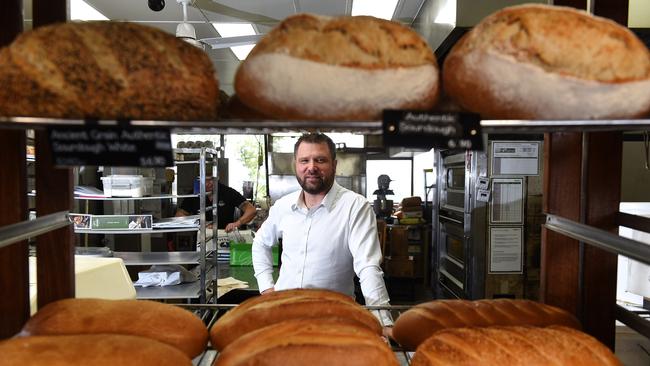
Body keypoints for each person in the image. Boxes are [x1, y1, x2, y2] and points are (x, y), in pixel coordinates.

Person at [252, 133, 393, 332]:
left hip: (334, 321)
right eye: (304, 160)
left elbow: (367, 265)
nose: (311, 167)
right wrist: (267, 289)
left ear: (334, 165)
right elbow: (260, 243)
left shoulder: (355, 206)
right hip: (282, 316)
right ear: (296, 165)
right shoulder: (283, 206)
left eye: (320, 160)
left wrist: (383, 320)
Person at [176, 177, 256, 232]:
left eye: (211, 179)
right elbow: (179, 216)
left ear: (217, 177)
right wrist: (199, 224)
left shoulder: (228, 192)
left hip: (225, 236)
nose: (208, 184)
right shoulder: (194, 195)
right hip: (201, 239)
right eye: (205, 180)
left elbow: (251, 210)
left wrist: (237, 223)